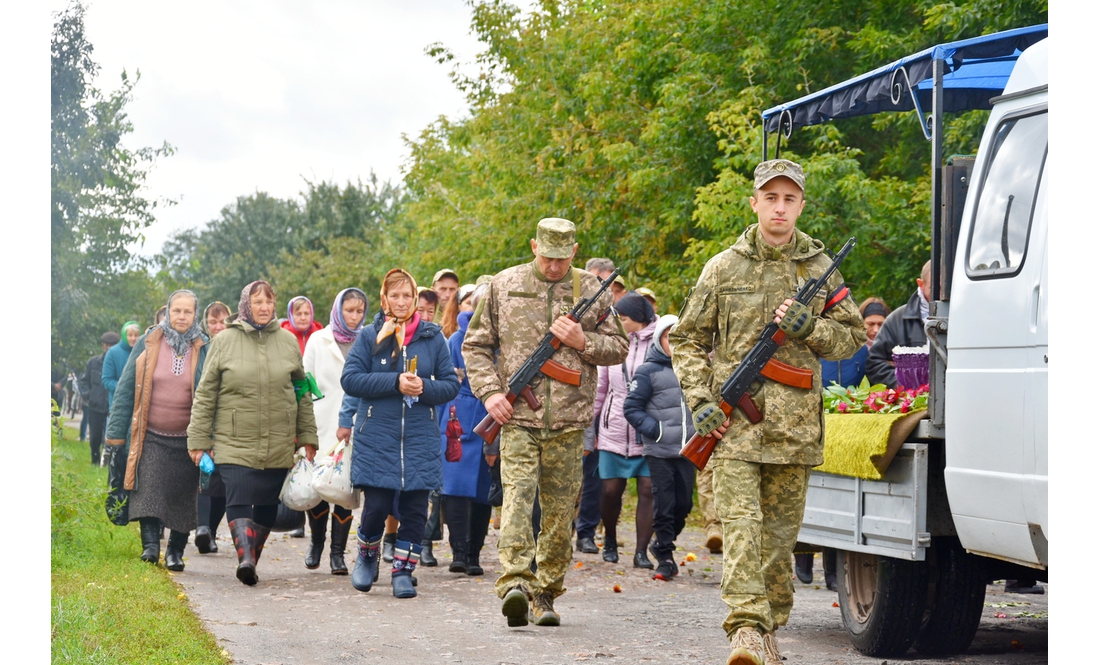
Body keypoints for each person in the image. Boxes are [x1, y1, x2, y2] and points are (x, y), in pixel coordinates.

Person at [670, 159, 865, 665]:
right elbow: (687, 340)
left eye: (790, 199)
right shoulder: (723, 267)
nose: (780, 208)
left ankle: (770, 625)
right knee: (739, 528)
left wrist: (810, 328)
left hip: (794, 432)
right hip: (733, 428)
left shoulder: (821, 269)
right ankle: (745, 631)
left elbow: (852, 340)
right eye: (770, 198)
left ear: (801, 205)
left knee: (778, 547)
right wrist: (701, 400)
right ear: (754, 202)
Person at [463, 217, 629, 627]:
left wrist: (582, 341)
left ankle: (546, 592)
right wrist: (491, 393)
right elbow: (476, 346)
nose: (554, 266)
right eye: (547, 256)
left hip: (570, 421)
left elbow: (620, 347)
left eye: (562, 258)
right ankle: (516, 584)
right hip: (518, 417)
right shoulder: (504, 284)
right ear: (533, 245)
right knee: (518, 499)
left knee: (558, 513)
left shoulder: (590, 290)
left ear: (574, 252)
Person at [187, 280, 319, 586]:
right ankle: (245, 558)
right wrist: (198, 440)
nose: (264, 307)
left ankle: (251, 558)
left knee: (267, 504)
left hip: (278, 439)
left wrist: (308, 436)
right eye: (258, 302)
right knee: (239, 495)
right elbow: (205, 394)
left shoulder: (286, 341)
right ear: (246, 305)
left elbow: (302, 392)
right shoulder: (223, 341)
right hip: (233, 438)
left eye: (269, 301)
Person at [339, 269, 459, 599]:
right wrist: (394, 383)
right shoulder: (370, 335)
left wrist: (425, 387)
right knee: (376, 505)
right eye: (395, 295)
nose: (402, 302)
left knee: (415, 509)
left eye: (408, 296)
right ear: (384, 299)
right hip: (377, 435)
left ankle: (404, 571)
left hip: (420, 437)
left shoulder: (433, 337)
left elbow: (451, 384)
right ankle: (366, 556)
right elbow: (350, 380)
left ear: (416, 299)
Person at [105, 290, 210, 571]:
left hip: (189, 440)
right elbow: (127, 389)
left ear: (195, 314)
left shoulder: (205, 346)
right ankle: (150, 548)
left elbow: (214, 394)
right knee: (148, 491)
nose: (182, 316)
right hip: (150, 435)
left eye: (188, 311)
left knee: (183, 497)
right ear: (167, 311)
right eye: (177, 311)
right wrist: (115, 436)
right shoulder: (149, 342)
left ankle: (175, 551)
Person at [798, 296, 890, 590]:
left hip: (843, 425)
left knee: (838, 500)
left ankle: (833, 571)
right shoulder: (811, 341)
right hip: (811, 421)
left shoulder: (860, 350)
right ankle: (802, 556)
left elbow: (872, 377)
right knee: (807, 493)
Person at [622, 314, 696, 581]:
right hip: (659, 451)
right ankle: (664, 557)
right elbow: (631, 408)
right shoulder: (647, 371)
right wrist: (656, 430)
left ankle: (661, 543)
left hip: (689, 450)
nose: (673, 343)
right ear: (659, 338)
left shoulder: (694, 369)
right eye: (668, 337)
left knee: (684, 504)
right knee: (663, 504)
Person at [302, 287, 369, 575]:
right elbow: (305, 385)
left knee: (344, 489)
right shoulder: (318, 340)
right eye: (349, 310)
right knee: (318, 487)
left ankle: (338, 554)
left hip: (355, 425)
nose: (354, 317)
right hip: (321, 422)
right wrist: (303, 429)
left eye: (358, 311)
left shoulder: (368, 340)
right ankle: (317, 542)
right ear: (338, 310)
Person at [592, 291, 657, 569]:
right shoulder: (614, 342)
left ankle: (641, 551)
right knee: (610, 491)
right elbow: (600, 387)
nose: (619, 322)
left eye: (624, 318)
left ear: (638, 320)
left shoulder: (660, 342)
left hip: (648, 429)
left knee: (648, 489)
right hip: (614, 428)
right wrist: (590, 425)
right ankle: (610, 539)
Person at [438, 282, 495, 576]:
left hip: (490, 413)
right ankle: (458, 550)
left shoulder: (499, 339)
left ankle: (475, 552)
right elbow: (446, 381)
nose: (474, 308)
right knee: (455, 486)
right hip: (457, 415)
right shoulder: (453, 341)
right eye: (469, 302)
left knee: (483, 489)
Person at [574, 258, 617, 554]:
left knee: (596, 479)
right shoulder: (574, 304)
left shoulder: (609, 312)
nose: (599, 285)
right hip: (578, 402)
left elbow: (618, 347)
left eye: (604, 280)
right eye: (594, 279)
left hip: (607, 413)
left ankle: (587, 531)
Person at [194, 301, 232, 555]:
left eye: (222, 321)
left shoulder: (238, 347)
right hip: (203, 419)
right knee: (204, 476)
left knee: (223, 483)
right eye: (212, 322)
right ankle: (201, 528)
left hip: (230, 424)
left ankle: (211, 531)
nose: (217, 327)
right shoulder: (200, 350)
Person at [865, 261, 931, 388]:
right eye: (936, 288)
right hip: (912, 404)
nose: (943, 294)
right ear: (921, 284)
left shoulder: (966, 318)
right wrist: (904, 384)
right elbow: (874, 364)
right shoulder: (896, 320)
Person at [81, 332, 118, 465]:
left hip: (111, 406)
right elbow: (84, 382)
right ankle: (95, 460)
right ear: (103, 345)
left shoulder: (118, 363)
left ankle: (108, 462)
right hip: (95, 405)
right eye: (107, 345)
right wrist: (88, 395)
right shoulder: (93, 362)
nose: (109, 348)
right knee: (95, 437)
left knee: (109, 437)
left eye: (112, 345)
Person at [102, 321, 141, 410]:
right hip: (118, 405)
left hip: (139, 407)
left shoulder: (145, 351)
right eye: (130, 335)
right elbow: (107, 380)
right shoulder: (112, 352)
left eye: (136, 335)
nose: (133, 338)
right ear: (124, 335)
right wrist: (126, 388)